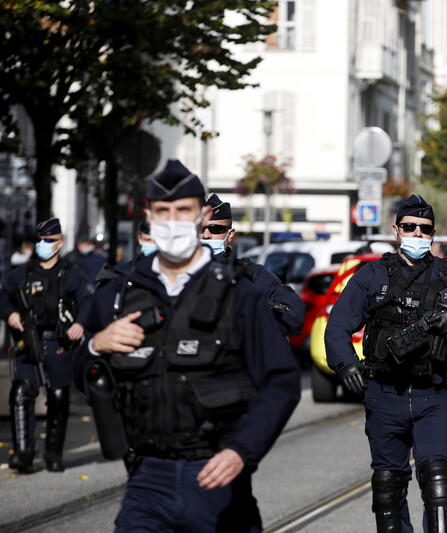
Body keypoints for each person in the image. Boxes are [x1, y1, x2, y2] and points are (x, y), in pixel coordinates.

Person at [75, 159, 301, 532]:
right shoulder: (119, 293)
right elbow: (82, 378)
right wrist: (95, 347)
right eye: (163, 212)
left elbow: (282, 381)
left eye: (183, 211)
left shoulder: (239, 294)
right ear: (148, 215)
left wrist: (241, 450)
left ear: (201, 216)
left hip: (218, 474)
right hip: (148, 479)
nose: (173, 221)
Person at [325, 194, 447, 533]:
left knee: (438, 485)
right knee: (388, 488)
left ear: (433, 234)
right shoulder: (371, 276)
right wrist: (346, 364)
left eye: (425, 229)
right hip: (384, 393)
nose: (418, 235)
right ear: (396, 230)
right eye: (410, 227)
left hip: (433, 396)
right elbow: (337, 326)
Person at [0, 218, 94, 473]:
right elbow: (3, 295)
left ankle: (53, 453)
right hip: (28, 341)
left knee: (58, 396)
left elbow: (87, 300)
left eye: (49, 241)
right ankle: (23, 453)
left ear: (60, 243)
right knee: (21, 392)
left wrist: (80, 324)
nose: (43, 245)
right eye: (40, 240)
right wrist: (10, 314)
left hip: (58, 342)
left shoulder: (71, 273)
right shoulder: (23, 273)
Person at [202, 192, 304, 337]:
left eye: (216, 229)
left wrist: (254, 306)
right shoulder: (171, 271)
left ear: (230, 234)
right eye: (200, 229)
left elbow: (294, 316)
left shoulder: (251, 275)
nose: (206, 235)